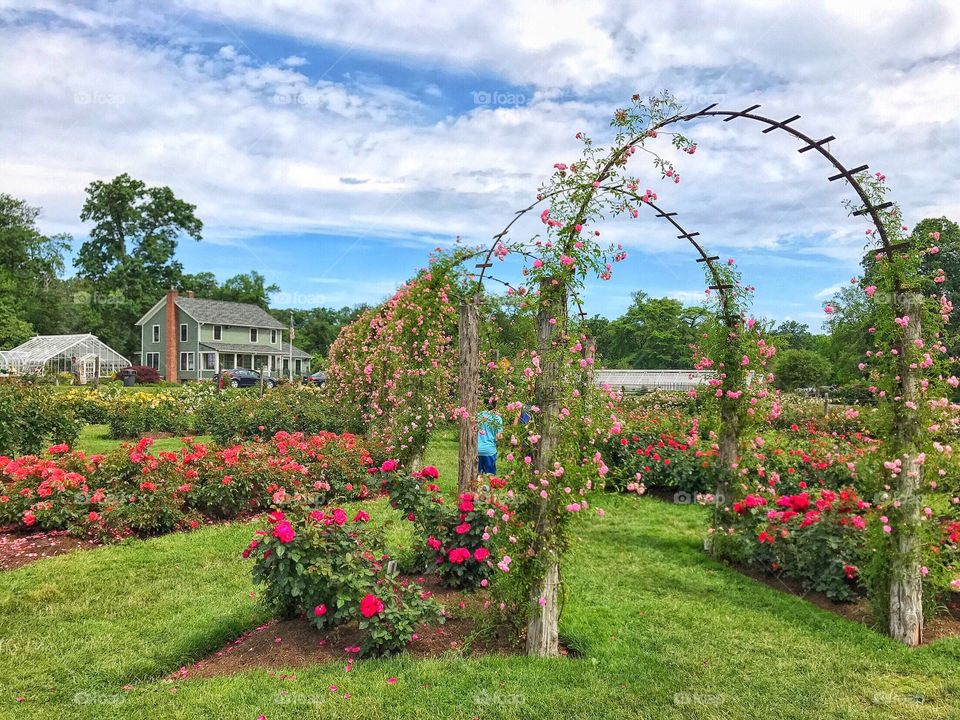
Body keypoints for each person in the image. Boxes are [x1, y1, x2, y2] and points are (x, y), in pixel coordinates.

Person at [477, 397, 503, 476]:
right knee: (491, 477)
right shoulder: (497, 418)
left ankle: (477, 488)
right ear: (495, 406)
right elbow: (499, 436)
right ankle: (489, 488)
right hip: (490, 451)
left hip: (477, 450)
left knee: (478, 475)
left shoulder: (478, 416)